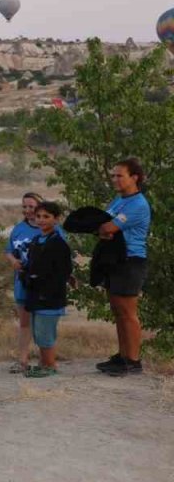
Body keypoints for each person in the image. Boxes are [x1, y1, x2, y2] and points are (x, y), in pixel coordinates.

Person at [96, 158, 151, 376]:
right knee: (117, 310)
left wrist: (106, 229)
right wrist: (104, 229)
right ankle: (122, 356)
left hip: (131, 260)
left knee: (128, 312)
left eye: (120, 175)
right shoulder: (118, 201)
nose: (115, 180)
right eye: (113, 176)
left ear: (134, 177)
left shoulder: (138, 204)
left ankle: (134, 361)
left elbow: (108, 227)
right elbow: (100, 227)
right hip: (115, 260)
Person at [22, 201, 72, 378]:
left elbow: (64, 272)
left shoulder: (58, 244)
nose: (41, 220)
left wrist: (43, 284)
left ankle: (50, 366)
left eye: (46, 216)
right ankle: (43, 364)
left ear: (56, 219)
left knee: (45, 334)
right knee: (38, 333)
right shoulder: (36, 240)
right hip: (35, 296)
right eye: (39, 216)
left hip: (50, 298)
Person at [5, 192, 44, 374]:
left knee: (44, 321)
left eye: (31, 206)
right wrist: (13, 260)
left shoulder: (50, 228)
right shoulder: (19, 228)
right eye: (25, 207)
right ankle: (22, 360)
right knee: (24, 322)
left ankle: (46, 360)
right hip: (23, 281)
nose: (28, 210)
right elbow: (9, 250)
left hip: (44, 283)